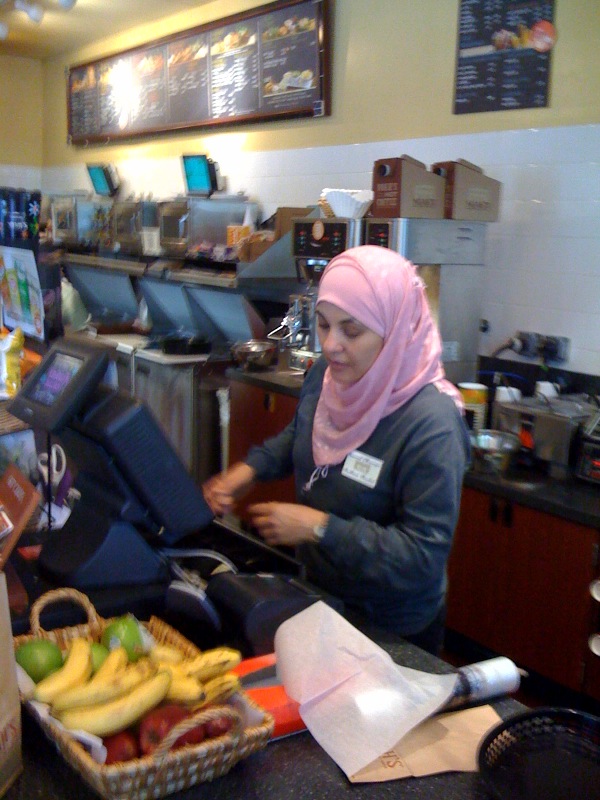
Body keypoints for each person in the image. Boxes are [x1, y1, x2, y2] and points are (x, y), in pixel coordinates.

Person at [203, 245, 470, 655]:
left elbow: (421, 557)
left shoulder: (431, 424)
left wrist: (319, 528)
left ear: (395, 331)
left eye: (352, 331)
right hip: (322, 595)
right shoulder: (329, 377)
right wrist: (248, 470)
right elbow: (303, 432)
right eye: (324, 324)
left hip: (391, 629)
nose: (331, 345)